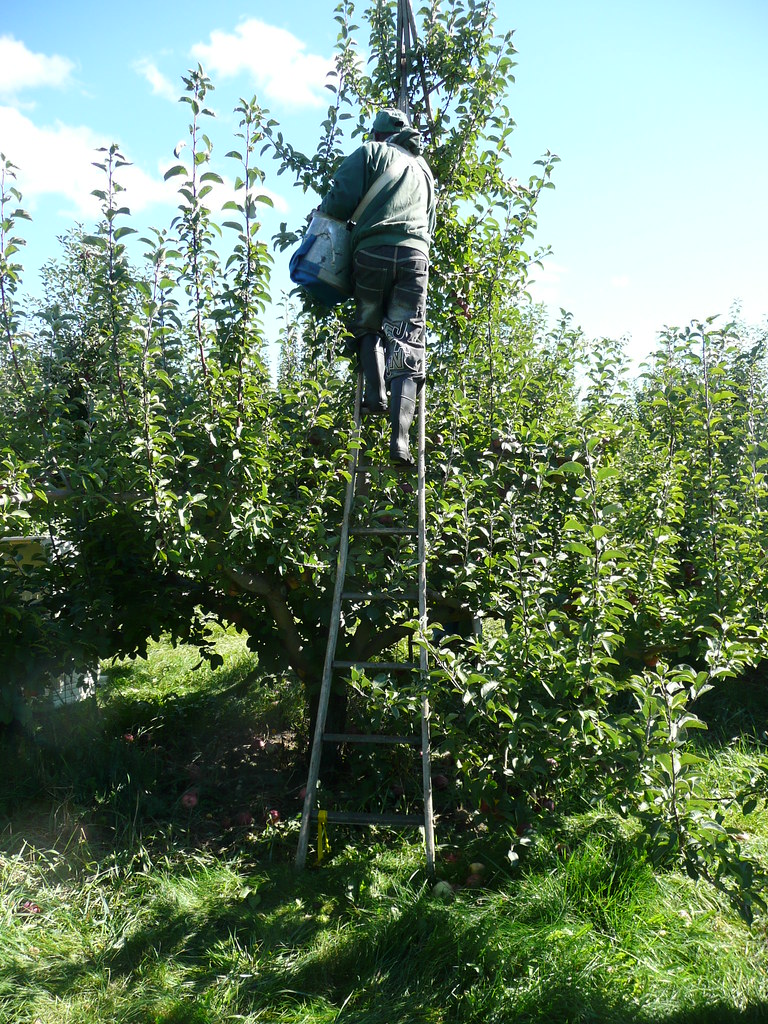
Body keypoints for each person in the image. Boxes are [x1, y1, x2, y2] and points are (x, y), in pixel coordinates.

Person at [319, 108, 436, 465]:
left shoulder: (369, 153)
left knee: (368, 321)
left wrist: (322, 216)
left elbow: (340, 200)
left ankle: (375, 393)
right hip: (415, 258)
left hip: (371, 252)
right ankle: (400, 440)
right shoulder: (425, 172)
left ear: (377, 134)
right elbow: (429, 222)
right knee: (408, 341)